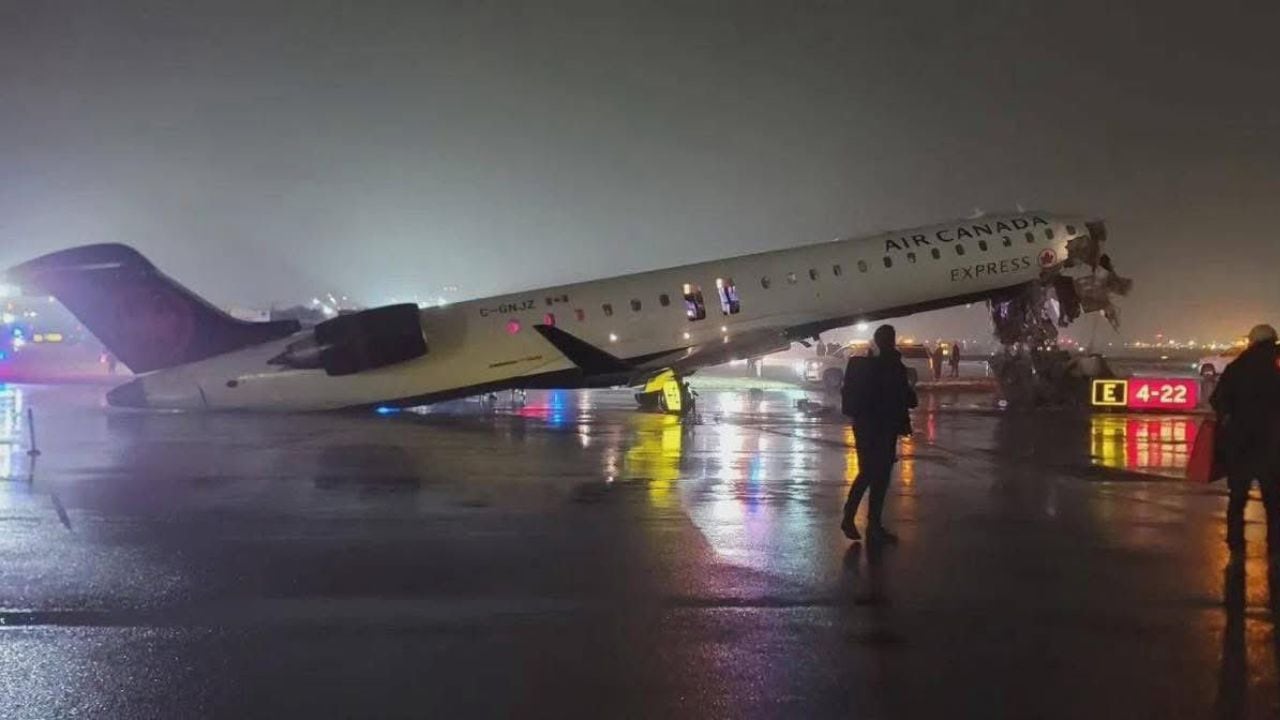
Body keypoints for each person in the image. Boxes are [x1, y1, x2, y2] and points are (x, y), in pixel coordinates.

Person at [840, 324, 919, 542]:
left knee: (867, 473)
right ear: (892, 341)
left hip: (865, 426)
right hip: (884, 428)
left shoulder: (866, 365)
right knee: (879, 477)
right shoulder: (893, 365)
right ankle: (869, 525)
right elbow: (908, 398)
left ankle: (855, 519)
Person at [1210, 324, 1280, 557]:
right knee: (1273, 499)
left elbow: (1217, 399)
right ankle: (1275, 545)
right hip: (1273, 444)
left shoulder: (1237, 366)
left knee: (1237, 497)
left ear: (1252, 341)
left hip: (1240, 444)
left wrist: (1229, 419)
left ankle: (1235, 543)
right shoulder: (1277, 366)